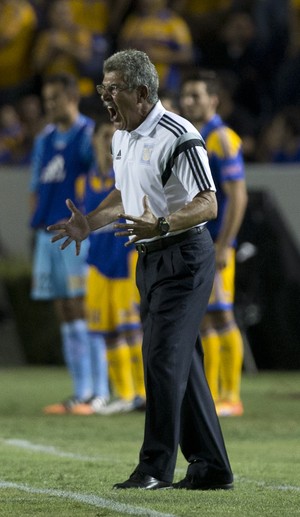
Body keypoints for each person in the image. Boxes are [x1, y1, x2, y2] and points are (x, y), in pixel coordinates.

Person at [48, 49, 233, 490]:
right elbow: (122, 191)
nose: (105, 98)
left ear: (142, 92)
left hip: (185, 255)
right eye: (102, 88)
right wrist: (89, 223)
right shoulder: (120, 135)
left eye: (113, 89)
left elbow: (208, 201)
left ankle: (154, 466)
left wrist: (164, 221)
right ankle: (211, 466)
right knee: (179, 361)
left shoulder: (178, 134)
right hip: (149, 258)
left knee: (161, 358)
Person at [180, 69, 248, 417]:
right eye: (187, 96)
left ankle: (230, 395)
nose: (190, 102)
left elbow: (238, 196)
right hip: (199, 241)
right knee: (206, 318)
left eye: (197, 96)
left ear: (213, 100)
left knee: (222, 315)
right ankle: (215, 396)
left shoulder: (221, 138)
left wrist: (224, 244)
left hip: (216, 242)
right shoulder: (195, 134)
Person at [29, 72, 95, 414]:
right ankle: (80, 390)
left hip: (74, 233)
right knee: (64, 310)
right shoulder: (44, 139)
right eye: (46, 99)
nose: (50, 105)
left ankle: (95, 391)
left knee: (83, 306)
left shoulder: (88, 135)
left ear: (73, 97)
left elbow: (98, 180)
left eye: (55, 98)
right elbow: (35, 187)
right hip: (46, 233)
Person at [72, 119, 146, 416]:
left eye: (113, 135)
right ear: (94, 142)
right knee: (108, 332)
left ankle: (144, 393)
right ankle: (126, 394)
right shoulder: (83, 181)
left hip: (125, 261)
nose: (108, 140)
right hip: (98, 264)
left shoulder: (127, 174)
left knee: (132, 330)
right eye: (104, 135)